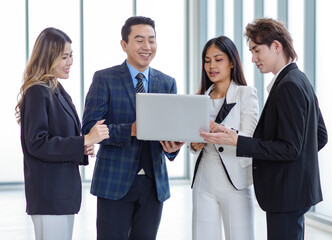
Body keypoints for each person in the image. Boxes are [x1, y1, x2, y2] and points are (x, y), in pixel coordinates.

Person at [200, 18, 328, 240]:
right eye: (251, 51)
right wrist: (297, 167)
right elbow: (320, 136)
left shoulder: (288, 86)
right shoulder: (299, 79)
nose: (253, 58)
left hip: (286, 194)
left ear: (276, 46)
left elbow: (290, 148)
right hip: (293, 192)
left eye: (257, 50)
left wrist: (237, 141)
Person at [82, 16, 184, 240]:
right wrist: (131, 130)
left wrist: (172, 147)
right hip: (114, 182)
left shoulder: (167, 83)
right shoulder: (104, 78)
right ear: (124, 45)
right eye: (139, 40)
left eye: (151, 40)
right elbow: (89, 128)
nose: (147, 47)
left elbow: (171, 129)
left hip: (153, 185)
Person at [15, 27, 109, 240]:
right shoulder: (38, 91)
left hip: (61, 194)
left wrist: (83, 145)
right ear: (48, 58)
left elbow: (58, 136)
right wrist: (85, 139)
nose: (70, 62)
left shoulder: (55, 89)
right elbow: (37, 143)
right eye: (64, 57)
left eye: (71, 56)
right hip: (50, 195)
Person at [190, 36, 259, 240]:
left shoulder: (246, 94)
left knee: (240, 236)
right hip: (204, 180)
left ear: (231, 62)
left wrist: (219, 130)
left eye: (218, 59)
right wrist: (194, 145)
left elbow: (249, 139)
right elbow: (193, 144)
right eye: (207, 60)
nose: (212, 66)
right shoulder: (198, 98)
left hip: (235, 181)